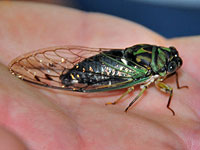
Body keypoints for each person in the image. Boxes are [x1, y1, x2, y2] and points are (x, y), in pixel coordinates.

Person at [0, 1, 199, 149]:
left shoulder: (158, 60)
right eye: (172, 67)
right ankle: (73, 76)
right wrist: (125, 103)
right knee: (133, 86)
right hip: (114, 71)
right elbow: (135, 90)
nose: (175, 70)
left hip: (117, 53)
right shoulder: (149, 75)